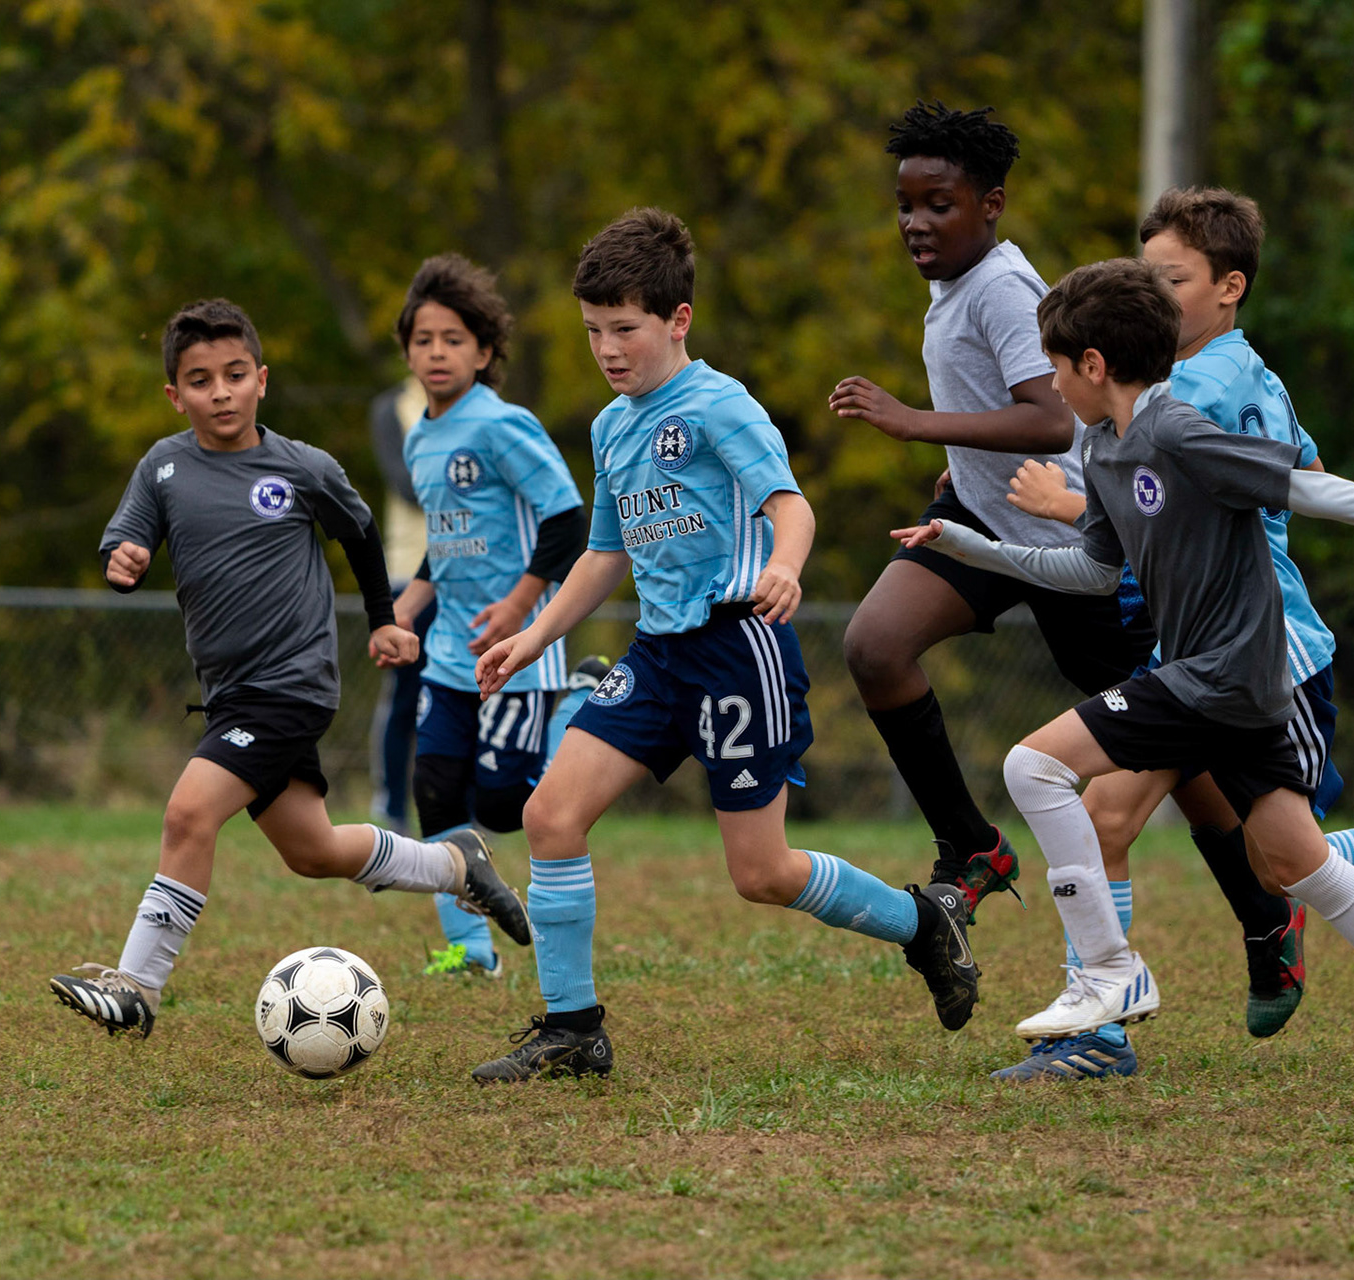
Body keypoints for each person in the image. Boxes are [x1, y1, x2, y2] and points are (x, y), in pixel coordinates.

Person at [903, 257, 1354, 1122]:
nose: (1046, 382)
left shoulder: (1180, 431)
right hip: (1214, 680)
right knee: (1300, 865)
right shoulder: (1108, 446)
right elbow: (1090, 568)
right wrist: (972, 550)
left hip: (1222, 675)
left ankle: (1111, 976)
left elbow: (1314, 489)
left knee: (1032, 767)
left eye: (1054, 363)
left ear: (1092, 366)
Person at [467, 208, 975, 1083]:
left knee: (763, 873)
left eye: (626, 329)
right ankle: (573, 1030)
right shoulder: (611, 426)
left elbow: (791, 505)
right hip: (660, 656)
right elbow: (603, 555)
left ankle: (923, 924)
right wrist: (531, 635)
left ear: (678, 320)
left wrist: (784, 566)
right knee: (551, 815)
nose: (609, 349)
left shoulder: (717, 404)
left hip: (742, 649)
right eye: (593, 331)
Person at [48, 299, 532, 1038]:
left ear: (262, 380)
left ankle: (138, 988)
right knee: (314, 850)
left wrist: (383, 619)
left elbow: (363, 532)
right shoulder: (164, 466)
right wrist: (124, 560)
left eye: (235, 375)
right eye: (201, 380)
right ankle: (455, 866)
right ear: (175, 395)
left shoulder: (303, 467)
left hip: (291, 689)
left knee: (188, 812)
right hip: (229, 696)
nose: (221, 393)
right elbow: (126, 539)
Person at [828, 102, 1155, 934]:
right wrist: (963, 462)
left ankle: (1269, 900)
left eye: (940, 204)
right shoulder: (954, 286)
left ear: (991, 205)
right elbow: (999, 409)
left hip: (1069, 541)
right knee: (874, 644)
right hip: (979, 516)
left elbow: (1049, 418)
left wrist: (914, 422)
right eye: (906, 204)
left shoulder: (1004, 287)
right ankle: (969, 846)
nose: (916, 222)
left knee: (1178, 741)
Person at [389, 254, 586, 979]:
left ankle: (577, 701)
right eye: (423, 339)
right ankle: (471, 951)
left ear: (484, 351)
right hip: (449, 656)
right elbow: (445, 545)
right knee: (434, 791)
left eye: (453, 339)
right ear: (407, 350)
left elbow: (568, 521)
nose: (436, 352)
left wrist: (519, 605)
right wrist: (404, 611)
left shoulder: (505, 427)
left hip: (521, 655)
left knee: (503, 808)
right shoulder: (419, 440)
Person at [365, 376, 432, 836]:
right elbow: (405, 485)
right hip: (409, 574)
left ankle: (460, 808)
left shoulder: (483, 408)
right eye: (424, 339)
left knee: (463, 694)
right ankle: (392, 806)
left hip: (470, 578)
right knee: (404, 697)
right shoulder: (390, 409)